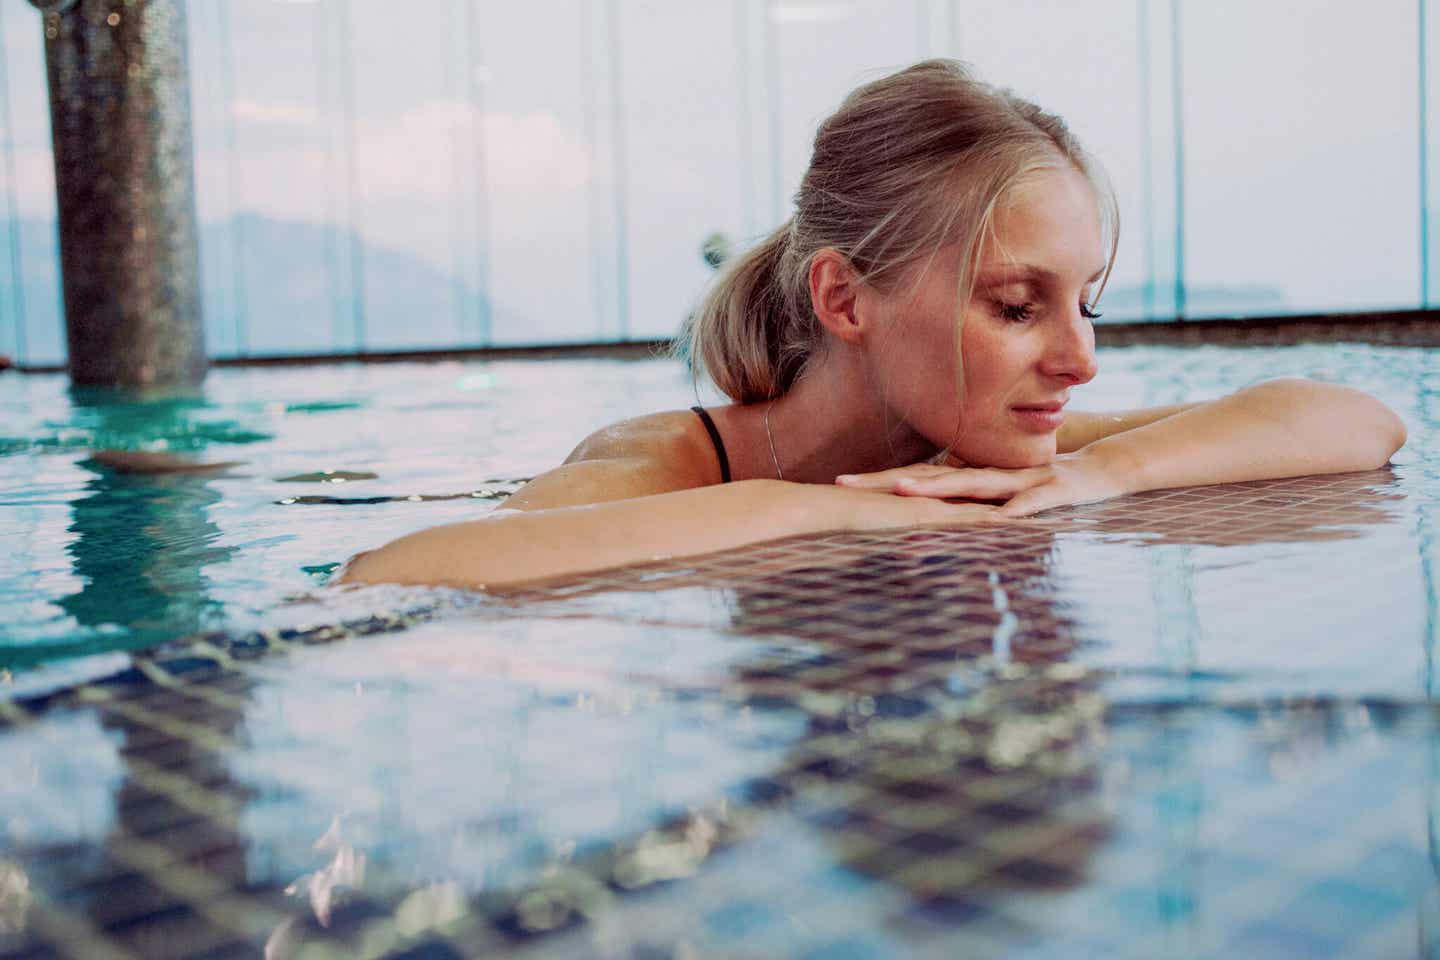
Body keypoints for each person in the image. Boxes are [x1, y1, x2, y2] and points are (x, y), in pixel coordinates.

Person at [338, 60, 1405, 590]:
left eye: (1088, 302)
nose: (1080, 360)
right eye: (1017, 307)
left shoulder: (978, 447)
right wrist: (846, 515)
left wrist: (1102, 477)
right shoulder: (661, 459)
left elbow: (1354, 420)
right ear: (846, 300)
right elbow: (394, 572)